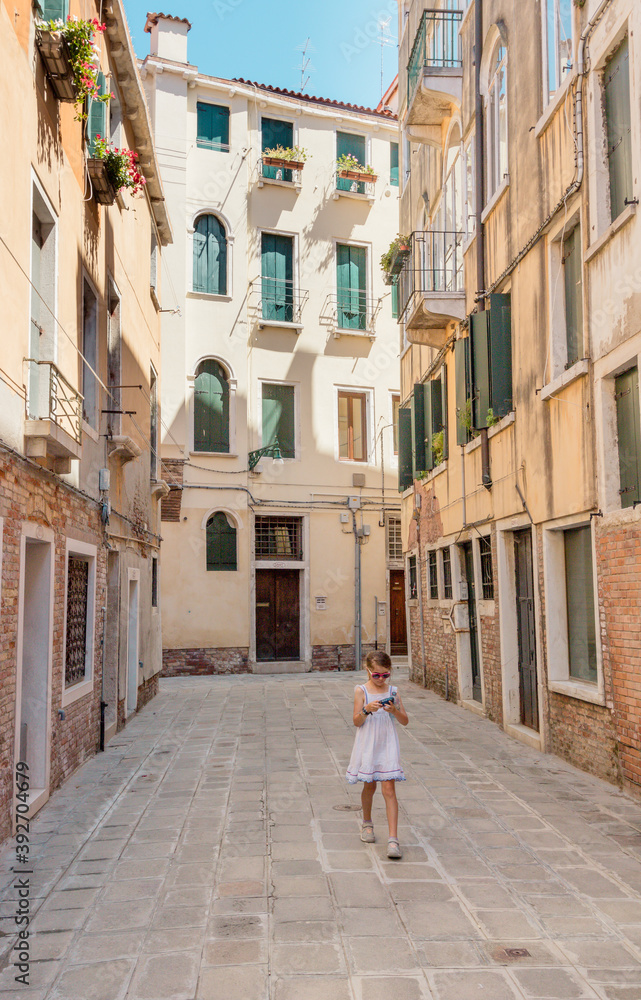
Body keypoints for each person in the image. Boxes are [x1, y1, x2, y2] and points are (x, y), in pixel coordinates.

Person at [346, 650, 409, 858]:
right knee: (370, 785)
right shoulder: (361, 691)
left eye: (385, 675)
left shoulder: (393, 692)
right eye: (377, 675)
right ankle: (367, 823)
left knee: (389, 789)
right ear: (368, 671)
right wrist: (365, 710)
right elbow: (356, 721)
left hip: (388, 743)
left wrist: (394, 711)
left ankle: (393, 840)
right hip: (368, 743)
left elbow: (405, 720)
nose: (381, 679)